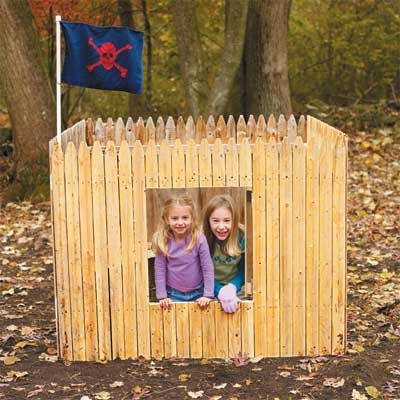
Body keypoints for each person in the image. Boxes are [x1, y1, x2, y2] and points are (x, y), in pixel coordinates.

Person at [152, 195, 214, 308]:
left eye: (185, 217)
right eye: (175, 218)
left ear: (192, 218)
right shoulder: (163, 240)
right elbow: (160, 269)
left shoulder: (198, 238)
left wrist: (208, 294)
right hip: (173, 294)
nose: (180, 222)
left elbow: (207, 267)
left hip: (198, 293)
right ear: (167, 220)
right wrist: (162, 296)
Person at [202, 195, 245, 313]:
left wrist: (232, 287)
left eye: (227, 220)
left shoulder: (242, 236)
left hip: (236, 286)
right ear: (208, 221)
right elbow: (198, 271)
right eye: (215, 221)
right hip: (208, 288)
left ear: (234, 220)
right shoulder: (201, 238)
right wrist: (218, 291)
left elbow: (244, 269)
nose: (221, 227)